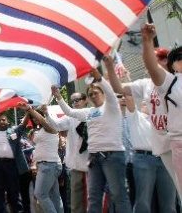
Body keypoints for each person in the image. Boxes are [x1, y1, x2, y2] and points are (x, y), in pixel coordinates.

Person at [51, 56, 132, 213]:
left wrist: (99, 78)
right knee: (93, 198)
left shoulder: (112, 107)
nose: (93, 95)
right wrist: (59, 97)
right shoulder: (89, 112)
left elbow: (109, 90)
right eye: (91, 94)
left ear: (102, 94)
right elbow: (69, 112)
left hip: (113, 156)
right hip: (94, 158)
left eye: (96, 93)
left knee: (118, 195)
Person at [141, 23, 182, 201]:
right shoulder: (171, 83)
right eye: (179, 58)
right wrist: (147, 40)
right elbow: (152, 67)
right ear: (174, 65)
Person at [45, 92, 90, 213]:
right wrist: (46, 114)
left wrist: (58, 96)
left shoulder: (92, 113)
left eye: (77, 100)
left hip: (92, 165)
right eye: (73, 101)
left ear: (86, 100)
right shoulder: (70, 117)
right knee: (76, 202)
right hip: (75, 165)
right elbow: (56, 125)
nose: (75, 103)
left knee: (92, 201)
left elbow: (69, 111)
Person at [0, 112, 31, 213]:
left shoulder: (14, 131)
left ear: (7, 122)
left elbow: (23, 125)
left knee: (13, 192)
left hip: (11, 165)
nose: (1, 122)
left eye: (3, 120)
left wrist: (28, 111)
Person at [23, 104, 64, 213]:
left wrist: (29, 109)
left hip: (49, 165)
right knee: (54, 196)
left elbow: (43, 121)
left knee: (40, 194)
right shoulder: (40, 130)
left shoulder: (50, 125)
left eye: (37, 116)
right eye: (34, 118)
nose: (36, 119)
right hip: (48, 165)